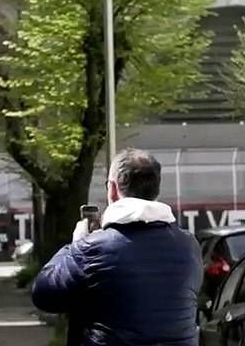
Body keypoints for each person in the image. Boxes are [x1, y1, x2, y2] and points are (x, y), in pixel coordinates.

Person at [31, 148, 202, 346]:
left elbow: (44, 295)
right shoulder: (189, 246)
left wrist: (75, 245)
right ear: (156, 190)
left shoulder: (91, 249)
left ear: (112, 189)